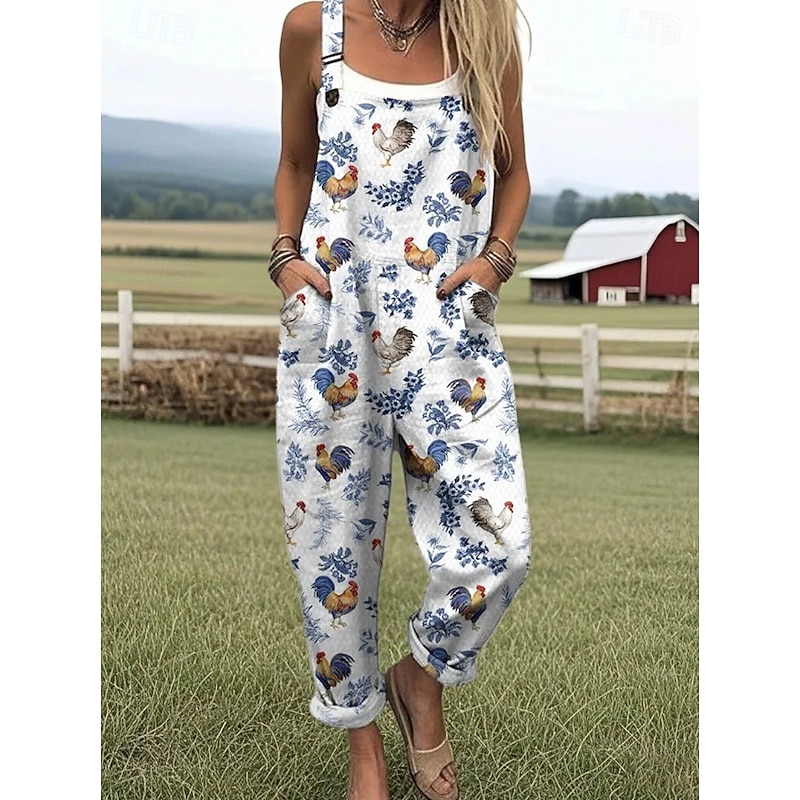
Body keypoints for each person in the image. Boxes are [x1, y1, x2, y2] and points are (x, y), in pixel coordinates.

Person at [270, 2, 532, 798]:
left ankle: (420, 677)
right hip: (334, 324)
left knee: (500, 544)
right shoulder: (314, 29)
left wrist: (495, 260)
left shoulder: (485, 35)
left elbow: (515, 172)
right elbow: (295, 161)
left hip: (446, 328)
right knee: (333, 541)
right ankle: (363, 743)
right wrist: (284, 260)